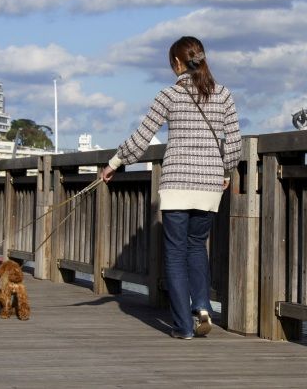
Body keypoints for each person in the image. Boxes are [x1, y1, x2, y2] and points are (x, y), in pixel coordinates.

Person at [101, 36, 242, 339]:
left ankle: (183, 326)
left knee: (175, 255)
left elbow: (142, 136)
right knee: (197, 247)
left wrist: (115, 162)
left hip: (177, 182)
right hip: (209, 184)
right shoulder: (224, 95)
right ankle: (202, 306)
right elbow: (234, 143)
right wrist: (226, 170)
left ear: (177, 63)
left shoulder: (169, 94)